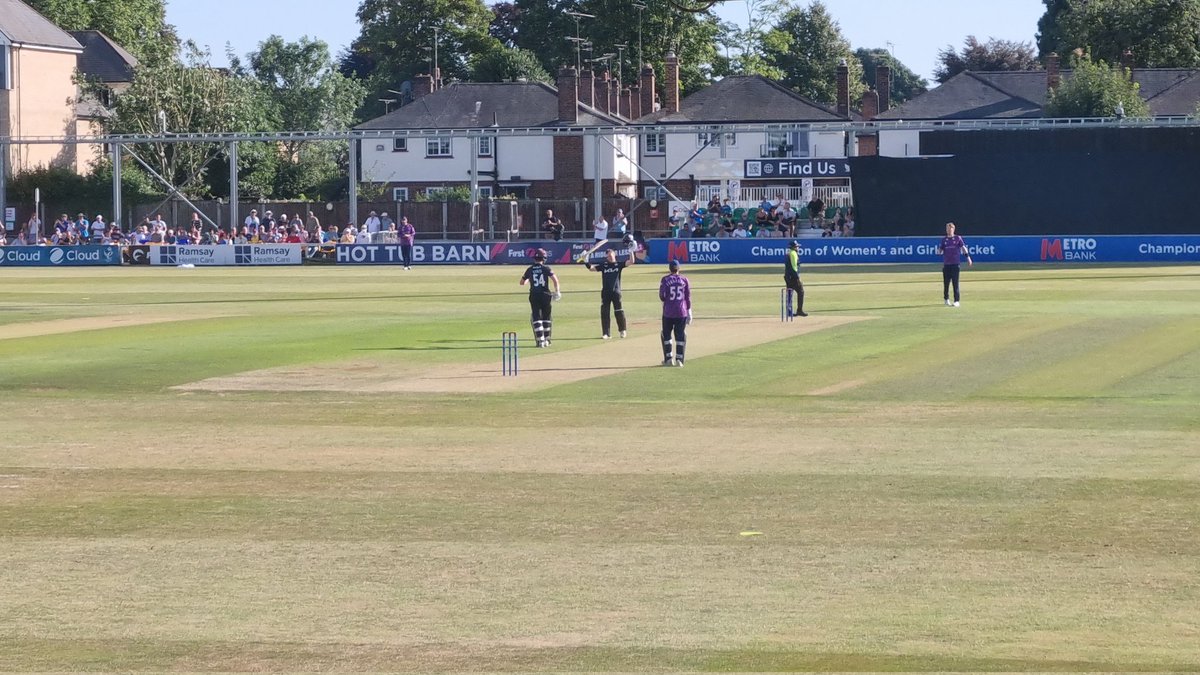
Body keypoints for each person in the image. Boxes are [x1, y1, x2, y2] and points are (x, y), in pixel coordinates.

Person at [585, 246, 636, 339]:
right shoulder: (604, 266)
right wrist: (586, 260)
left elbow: (631, 261)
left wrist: (631, 251)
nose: (609, 257)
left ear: (614, 254)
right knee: (605, 313)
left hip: (616, 292)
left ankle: (622, 330)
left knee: (619, 311)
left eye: (610, 255)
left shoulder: (619, 264)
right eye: (608, 256)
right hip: (605, 292)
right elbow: (591, 268)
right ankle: (606, 333)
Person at [520, 248, 561, 348]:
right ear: (544, 258)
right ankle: (547, 340)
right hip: (546, 295)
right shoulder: (546, 268)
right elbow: (555, 280)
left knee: (536, 317)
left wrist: (530, 279)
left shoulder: (530, 269)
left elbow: (522, 282)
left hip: (534, 295)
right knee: (546, 317)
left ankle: (540, 340)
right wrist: (557, 292)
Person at [658, 259, 691, 367]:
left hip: (668, 311)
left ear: (669, 268)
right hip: (682, 311)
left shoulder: (665, 279)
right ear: (679, 268)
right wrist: (689, 311)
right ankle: (679, 359)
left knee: (666, 335)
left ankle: (668, 358)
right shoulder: (684, 280)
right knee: (680, 336)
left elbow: (662, 296)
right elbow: (687, 297)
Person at [937, 221, 973, 307]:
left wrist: (968, 257)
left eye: (950, 229)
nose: (949, 231)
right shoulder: (944, 240)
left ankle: (957, 301)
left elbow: (963, 248)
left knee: (955, 283)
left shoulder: (958, 238)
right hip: (946, 264)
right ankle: (946, 299)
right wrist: (939, 251)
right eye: (947, 229)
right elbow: (940, 250)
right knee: (946, 283)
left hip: (955, 264)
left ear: (953, 229)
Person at [783, 240, 808, 317]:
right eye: (797, 246)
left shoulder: (789, 253)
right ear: (794, 247)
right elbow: (794, 267)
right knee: (801, 292)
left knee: (790, 294)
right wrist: (797, 277)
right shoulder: (793, 254)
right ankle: (799, 310)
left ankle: (789, 312)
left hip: (788, 276)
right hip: (793, 277)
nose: (798, 247)